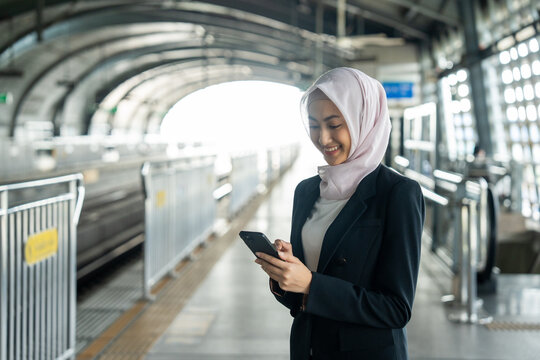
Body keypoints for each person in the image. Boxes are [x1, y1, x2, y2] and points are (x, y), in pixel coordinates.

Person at [254, 67, 425, 360]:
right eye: (314, 125)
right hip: (308, 348)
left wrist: (310, 283)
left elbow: (396, 309)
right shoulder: (307, 191)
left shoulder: (397, 194)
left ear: (363, 120)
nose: (323, 138)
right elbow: (303, 300)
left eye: (334, 124)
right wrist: (286, 275)